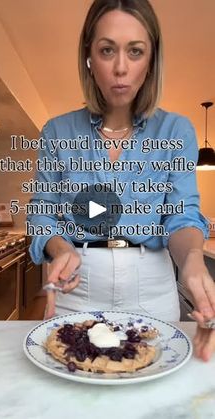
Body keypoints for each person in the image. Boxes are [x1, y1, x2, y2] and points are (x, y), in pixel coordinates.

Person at [28, 0, 215, 361]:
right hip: (78, 288)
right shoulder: (56, 132)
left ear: (151, 61)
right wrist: (59, 248)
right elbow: (42, 214)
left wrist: (192, 259)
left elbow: (182, 216)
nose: (120, 68)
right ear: (88, 57)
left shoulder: (176, 130)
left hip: (153, 288)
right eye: (107, 50)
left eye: (135, 51)